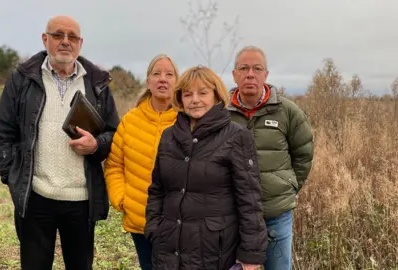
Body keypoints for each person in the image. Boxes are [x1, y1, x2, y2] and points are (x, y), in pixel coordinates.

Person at [0, 15, 119, 269]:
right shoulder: (22, 79)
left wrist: (96, 145)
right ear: (45, 39)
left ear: (80, 43)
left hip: (81, 201)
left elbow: (114, 133)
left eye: (72, 37)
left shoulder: (98, 83)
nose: (65, 42)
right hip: (36, 196)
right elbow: (1, 134)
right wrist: (13, 177)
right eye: (58, 35)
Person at [144, 65, 268, 270]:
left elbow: (250, 200)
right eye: (187, 94)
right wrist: (154, 227)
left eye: (202, 93)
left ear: (216, 95)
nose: (195, 100)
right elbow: (157, 189)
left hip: (214, 251)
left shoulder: (236, 136)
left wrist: (251, 256)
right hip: (169, 249)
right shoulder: (168, 136)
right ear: (180, 98)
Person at [229, 46, 314, 270]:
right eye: (244, 68)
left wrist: (288, 187)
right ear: (234, 74)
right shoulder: (221, 113)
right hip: (232, 216)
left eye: (257, 68)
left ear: (266, 75)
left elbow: (303, 154)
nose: (250, 74)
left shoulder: (288, 111)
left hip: (276, 215)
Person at [104, 53, 179, 270]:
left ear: (177, 82)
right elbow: (114, 165)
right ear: (148, 82)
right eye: (157, 74)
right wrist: (121, 198)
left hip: (179, 224)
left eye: (169, 74)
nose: (162, 79)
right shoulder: (130, 120)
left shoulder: (187, 120)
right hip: (140, 219)